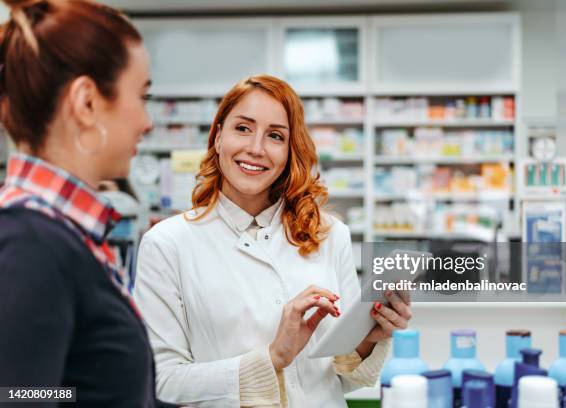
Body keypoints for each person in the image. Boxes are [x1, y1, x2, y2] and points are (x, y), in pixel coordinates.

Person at [134, 75, 412, 407]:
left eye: (275, 136)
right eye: (243, 128)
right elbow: (161, 382)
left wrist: (367, 340)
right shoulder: (167, 244)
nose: (256, 148)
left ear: (289, 151)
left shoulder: (330, 235)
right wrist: (272, 358)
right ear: (218, 136)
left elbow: (341, 380)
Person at [0, 1, 175, 406]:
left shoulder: (62, 234)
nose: (147, 122)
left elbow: (62, 384)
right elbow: (17, 394)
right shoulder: (31, 246)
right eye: (141, 96)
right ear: (87, 102)